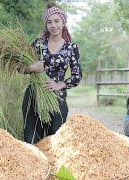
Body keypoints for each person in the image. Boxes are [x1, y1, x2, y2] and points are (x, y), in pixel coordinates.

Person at [19, 4, 82, 144]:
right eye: (49, 22)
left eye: (57, 21)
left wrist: (60, 84)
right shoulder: (38, 44)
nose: (53, 25)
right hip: (33, 96)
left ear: (63, 22)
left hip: (57, 99)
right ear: (46, 24)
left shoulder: (71, 47)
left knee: (56, 140)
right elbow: (19, 67)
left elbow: (77, 76)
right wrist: (32, 68)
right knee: (32, 140)